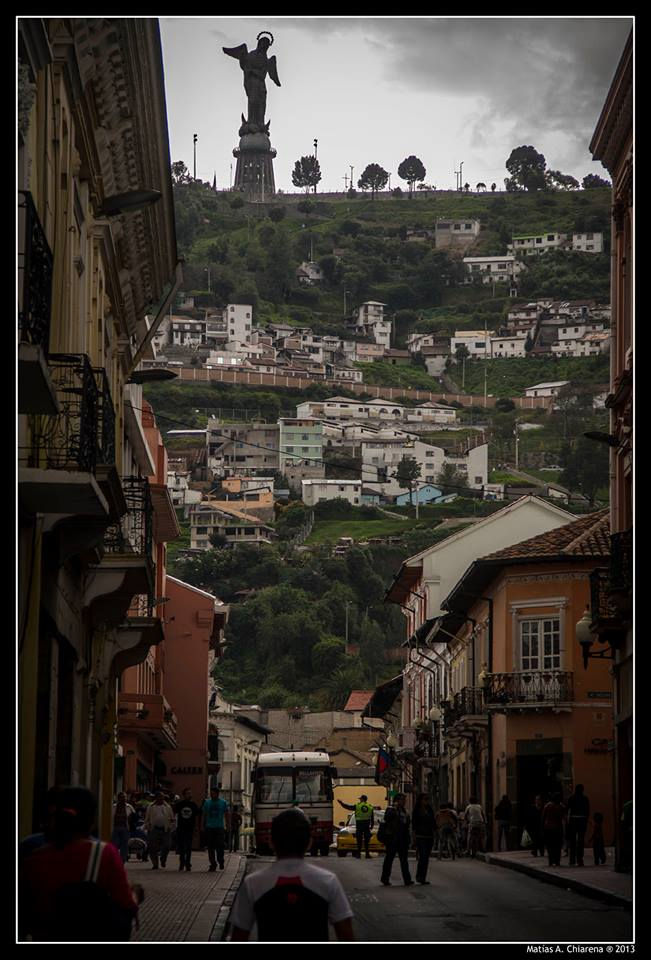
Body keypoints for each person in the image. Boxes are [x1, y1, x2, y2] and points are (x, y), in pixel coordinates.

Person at [19, 786, 141, 942]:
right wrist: (135, 893)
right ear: (91, 820)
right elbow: (126, 904)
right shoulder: (103, 854)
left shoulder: (31, 853)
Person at [229, 809, 354, 942]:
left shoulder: (252, 884)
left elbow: (239, 936)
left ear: (271, 842)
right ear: (309, 843)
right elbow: (346, 934)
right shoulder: (328, 881)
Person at [380, 794, 413, 886]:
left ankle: (407, 879)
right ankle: (385, 878)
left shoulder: (404, 811)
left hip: (402, 838)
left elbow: (406, 824)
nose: (404, 802)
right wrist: (394, 809)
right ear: (397, 800)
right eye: (403, 800)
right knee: (389, 859)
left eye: (405, 800)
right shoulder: (391, 809)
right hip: (392, 838)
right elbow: (387, 818)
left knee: (404, 860)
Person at [144, 791, 175, 869]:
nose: (161, 798)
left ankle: (163, 858)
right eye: (159, 797)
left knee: (167, 845)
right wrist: (148, 826)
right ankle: (155, 864)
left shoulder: (167, 806)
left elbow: (172, 818)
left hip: (165, 829)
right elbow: (147, 818)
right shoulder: (151, 806)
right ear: (156, 798)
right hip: (154, 829)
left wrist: (171, 826)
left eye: (162, 797)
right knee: (152, 847)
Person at [202, 785, 230, 872]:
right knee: (210, 847)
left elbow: (227, 814)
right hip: (209, 827)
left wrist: (228, 825)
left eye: (213, 793)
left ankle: (220, 860)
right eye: (211, 793)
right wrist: (202, 825)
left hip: (219, 827)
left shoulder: (223, 802)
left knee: (220, 846)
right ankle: (213, 864)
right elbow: (204, 815)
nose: (211, 795)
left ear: (217, 794)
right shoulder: (207, 802)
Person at [337, 794, 374, 859]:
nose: (360, 800)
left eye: (360, 799)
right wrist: (372, 825)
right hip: (367, 825)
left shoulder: (357, 806)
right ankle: (367, 854)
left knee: (359, 840)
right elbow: (372, 817)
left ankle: (358, 854)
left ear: (362, 799)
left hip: (359, 825)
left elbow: (348, 807)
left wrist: (341, 803)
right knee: (366, 841)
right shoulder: (370, 806)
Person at [174, 788, 201, 872]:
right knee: (181, 846)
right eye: (188, 793)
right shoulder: (180, 804)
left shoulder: (193, 805)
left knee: (189, 847)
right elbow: (174, 813)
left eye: (190, 793)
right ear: (184, 795)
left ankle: (188, 863)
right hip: (181, 828)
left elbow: (197, 816)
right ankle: (182, 862)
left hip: (190, 828)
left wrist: (196, 827)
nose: (190, 795)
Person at [412, 793, 436, 883]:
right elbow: (414, 824)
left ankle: (422, 877)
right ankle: (419, 876)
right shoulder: (417, 810)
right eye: (425, 799)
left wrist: (435, 831)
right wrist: (414, 836)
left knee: (426, 858)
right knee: (423, 856)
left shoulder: (429, 809)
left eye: (427, 799)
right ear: (420, 800)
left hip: (429, 836)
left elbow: (433, 821)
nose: (427, 801)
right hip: (420, 836)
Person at [566, 784, 589, 867]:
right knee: (580, 840)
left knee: (572, 840)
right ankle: (580, 859)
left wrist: (568, 821)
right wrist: (586, 820)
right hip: (582, 819)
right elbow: (587, 810)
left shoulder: (571, 798)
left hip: (573, 820)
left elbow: (567, 809)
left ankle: (572, 859)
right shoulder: (585, 799)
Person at [542, 793, 565, 867]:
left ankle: (551, 861)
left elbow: (543, 817)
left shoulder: (547, 806)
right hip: (557, 828)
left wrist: (542, 827)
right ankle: (557, 860)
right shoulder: (560, 807)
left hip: (548, 828)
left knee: (550, 845)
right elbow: (562, 816)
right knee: (557, 845)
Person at [111, 792, 136, 864]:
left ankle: (122, 860)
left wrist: (131, 822)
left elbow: (134, 816)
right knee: (115, 844)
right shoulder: (113, 806)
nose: (123, 799)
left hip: (125, 828)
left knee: (124, 846)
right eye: (121, 797)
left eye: (124, 797)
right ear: (118, 798)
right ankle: (114, 860)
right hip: (115, 827)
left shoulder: (129, 807)